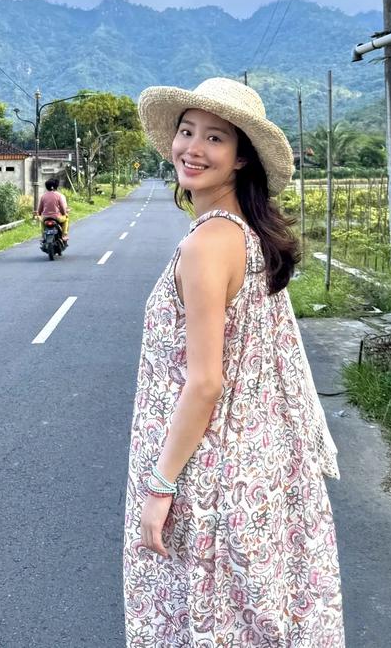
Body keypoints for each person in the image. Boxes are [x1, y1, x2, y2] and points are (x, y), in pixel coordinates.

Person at [123, 77, 344, 646]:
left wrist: (159, 485)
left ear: (241, 157)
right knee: (248, 624)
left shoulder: (206, 245)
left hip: (206, 476)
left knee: (204, 620)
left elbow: (205, 383)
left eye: (215, 138)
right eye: (187, 131)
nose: (192, 148)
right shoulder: (246, 237)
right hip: (252, 467)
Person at [37, 178, 69, 243]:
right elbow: (62, 207)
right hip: (57, 217)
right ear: (55, 186)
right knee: (66, 219)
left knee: (42, 222)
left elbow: (40, 209)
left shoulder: (43, 196)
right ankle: (64, 235)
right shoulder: (59, 195)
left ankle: (43, 236)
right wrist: (64, 214)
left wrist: (39, 214)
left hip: (45, 217)